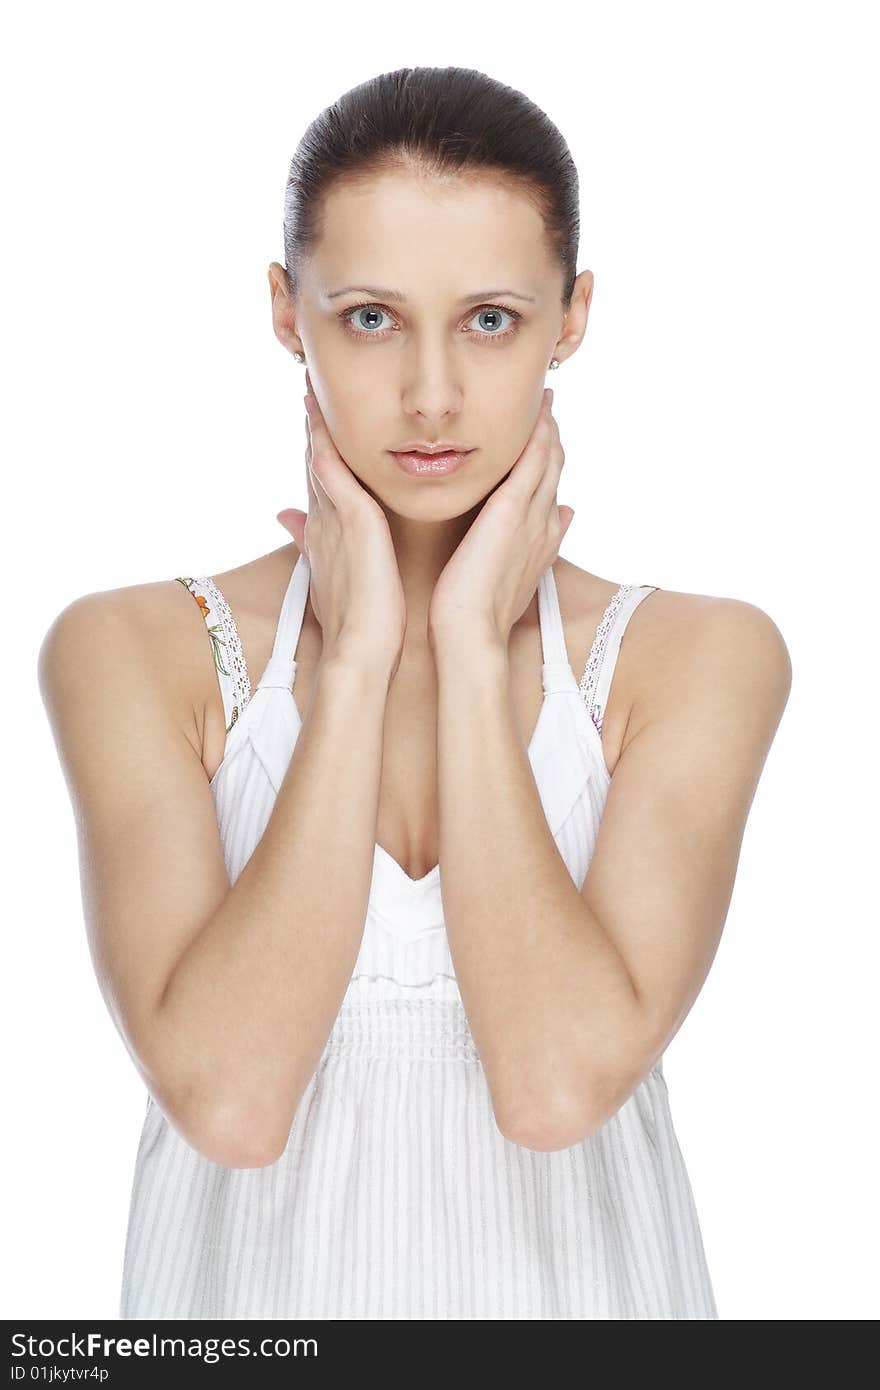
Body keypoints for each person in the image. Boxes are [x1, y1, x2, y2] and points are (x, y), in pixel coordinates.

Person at [37, 65, 791, 1321]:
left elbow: (552, 1089)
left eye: (490, 318)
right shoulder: (136, 651)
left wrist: (466, 632)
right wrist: (356, 655)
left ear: (572, 315)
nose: (432, 394)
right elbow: (230, 1099)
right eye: (372, 318)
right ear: (288, 312)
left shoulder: (695, 660)